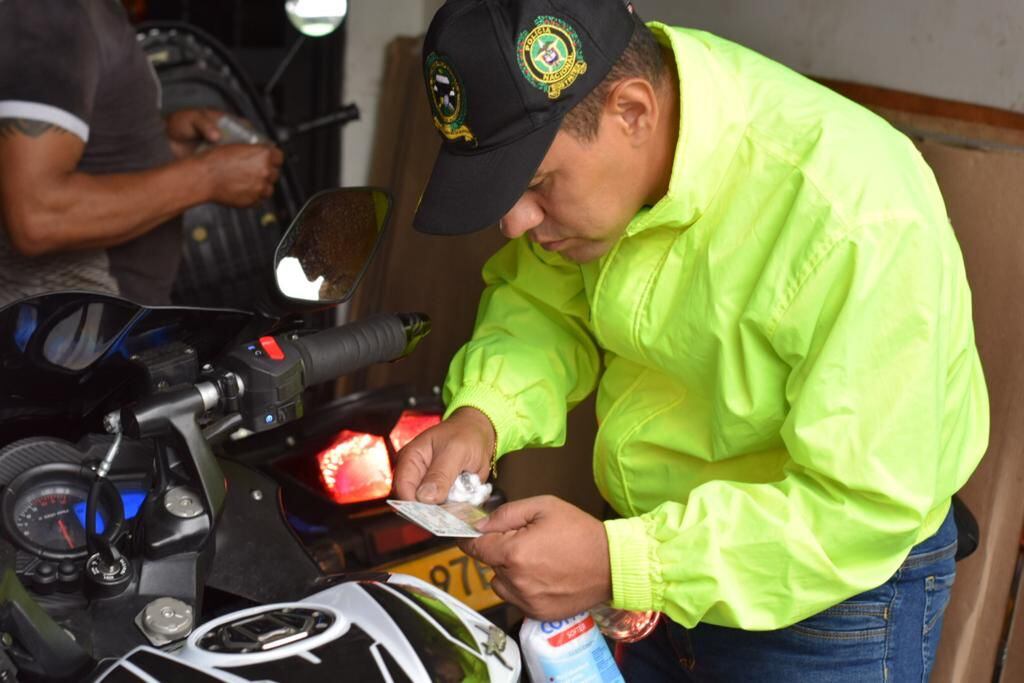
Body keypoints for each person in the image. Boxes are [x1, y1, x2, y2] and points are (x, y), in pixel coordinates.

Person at [394, 0, 990, 680]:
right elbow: (542, 301)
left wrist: (627, 560)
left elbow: (859, 505)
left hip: (826, 600)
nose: (512, 223)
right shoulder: (595, 179)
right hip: (646, 558)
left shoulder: (857, 215)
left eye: (534, 185)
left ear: (634, 112)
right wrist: (484, 412)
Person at [0, 0, 283, 307]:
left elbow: (84, 154)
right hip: (65, 335)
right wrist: (207, 176)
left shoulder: (92, 12)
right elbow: (38, 216)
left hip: (108, 325)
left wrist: (165, 146)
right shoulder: (49, 11)